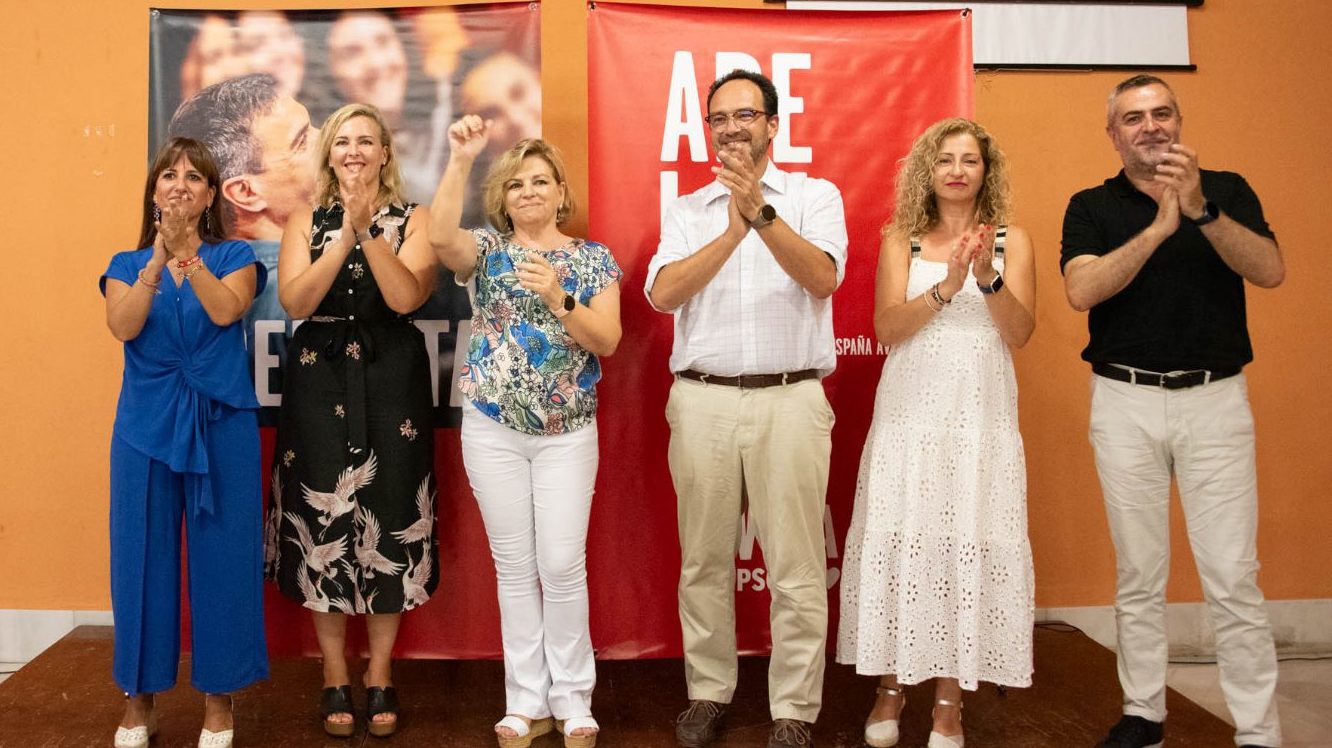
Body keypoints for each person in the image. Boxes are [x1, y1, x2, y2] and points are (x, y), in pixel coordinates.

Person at [1061, 75, 1285, 748]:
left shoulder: (1229, 188)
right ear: (1114, 134)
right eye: (1133, 118)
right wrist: (1160, 228)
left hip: (1215, 400)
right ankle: (1144, 714)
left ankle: (1258, 730)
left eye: (1161, 113)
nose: (1150, 126)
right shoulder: (1091, 205)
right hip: (1125, 400)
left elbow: (1271, 269)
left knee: (1232, 575)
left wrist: (1201, 212)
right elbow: (1082, 289)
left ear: (1180, 121)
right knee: (1139, 571)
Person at [644, 69, 847, 748]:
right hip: (702, 401)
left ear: (773, 125)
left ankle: (794, 708)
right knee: (702, 561)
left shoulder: (816, 196)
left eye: (745, 115)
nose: (731, 128)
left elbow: (823, 277)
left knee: (795, 565)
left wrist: (760, 211)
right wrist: (731, 230)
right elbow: (664, 295)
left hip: (791, 399)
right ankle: (708, 692)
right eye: (718, 118)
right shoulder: (688, 209)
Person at [836, 118, 1037, 748]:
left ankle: (949, 702)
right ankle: (891, 689)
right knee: (906, 539)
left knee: (965, 539)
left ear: (986, 171)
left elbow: (1021, 332)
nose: (956, 170)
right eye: (945, 159)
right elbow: (888, 329)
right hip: (910, 414)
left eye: (969, 160)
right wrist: (947, 289)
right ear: (929, 170)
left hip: (980, 417)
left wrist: (986, 279)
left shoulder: (1012, 239)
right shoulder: (902, 238)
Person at [430, 115, 622, 748]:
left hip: (568, 432)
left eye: (541, 181)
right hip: (492, 429)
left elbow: (609, 341)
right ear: (503, 198)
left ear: (562, 193)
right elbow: (437, 240)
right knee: (514, 567)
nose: (529, 192)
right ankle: (525, 699)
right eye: (516, 184)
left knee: (562, 564)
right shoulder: (487, 252)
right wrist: (461, 159)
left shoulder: (592, 260)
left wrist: (560, 298)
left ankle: (574, 698)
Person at [265, 103, 439, 738]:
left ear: (386, 153)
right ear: (329, 154)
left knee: (391, 515)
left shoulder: (414, 219)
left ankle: (381, 673)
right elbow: (296, 300)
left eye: (367, 141)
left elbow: (405, 297)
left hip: (392, 375)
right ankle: (334, 670)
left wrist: (369, 231)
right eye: (344, 141)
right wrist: (342, 234)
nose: (355, 151)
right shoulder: (304, 220)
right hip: (319, 373)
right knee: (322, 517)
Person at [101, 137, 268, 748]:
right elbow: (123, 325)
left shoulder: (235, 254)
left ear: (208, 196)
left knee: (224, 558)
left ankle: (219, 701)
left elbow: (227, 313)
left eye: (194, 178)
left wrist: (189, 255)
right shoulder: (123, 264)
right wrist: (156, 257)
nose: (179, 185)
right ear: (153, 192)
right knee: (139, 559)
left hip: (220, 420)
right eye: (168, 175)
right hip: (144, 427)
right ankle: (138, 701)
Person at [168, 73, 319, 331]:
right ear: (245, 192)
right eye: (302, 141)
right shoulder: (308, 290)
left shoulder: (191, 284)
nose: (328, 140)